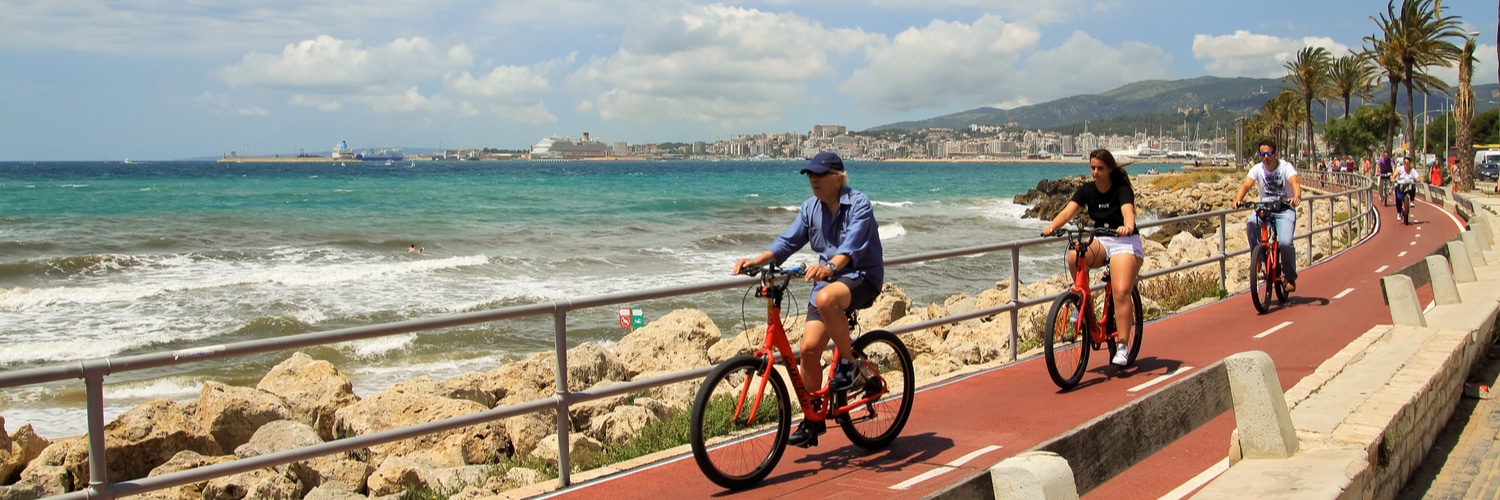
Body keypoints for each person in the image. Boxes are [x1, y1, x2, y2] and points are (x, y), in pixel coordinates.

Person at [732, 151, 884, 448]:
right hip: (828, 281)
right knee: (809, 349)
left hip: (862, 277)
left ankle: (849, 366)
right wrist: (756, 260)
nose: (813, 179)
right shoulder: (810, 208)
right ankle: (813, 421)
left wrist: (829, 268)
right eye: (809, 175)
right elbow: (787, 242)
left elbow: (851, 248)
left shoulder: (859, 204)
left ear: (838, 178)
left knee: (827, 298)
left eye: (819, 174)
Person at [1041, 148, 1143, 367]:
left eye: (1100, 168)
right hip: (1103, 240)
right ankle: (1083, 303)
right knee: (1074, 255)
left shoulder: (1121, 189)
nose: (1095, 173)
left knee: (1121, 291)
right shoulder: (1087, 189)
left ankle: (1123, 346)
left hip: (1125, 242)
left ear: (1109, 169)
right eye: (1092, 168)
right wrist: (1052, 227)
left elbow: (1128, 212)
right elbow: (1068, 212)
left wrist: (1127, 227)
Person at [1232, 138, 1303, 293]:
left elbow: (1294, 182)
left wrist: (1296, 196)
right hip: (1265, 208)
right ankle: (1259, 257)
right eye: (1262, 154)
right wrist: (1238, 200)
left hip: (1284, 208)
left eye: (1269, 153)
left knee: (1285, 242)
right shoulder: (1258, 169)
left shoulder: (1285, 167)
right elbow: (1246, 184)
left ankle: (1290, 277)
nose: (1266, 157)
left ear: (1275, 153)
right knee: (1251, 223)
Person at [1394, 156, 1420, 221]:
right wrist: (1393, 178)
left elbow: (1418, 177)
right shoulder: (1400, 168)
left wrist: (1417, 179)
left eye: (1408, 163)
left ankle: (1412, 200)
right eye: (1405, 162)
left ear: (1410, 163)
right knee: (1398, 198)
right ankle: (1399, 213)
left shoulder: (1412, 170)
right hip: (1400, 185)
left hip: (1409, 185)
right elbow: (1395, 175)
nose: (1406, 164)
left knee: (1413, 185)